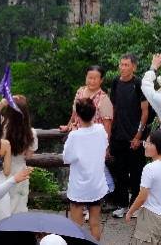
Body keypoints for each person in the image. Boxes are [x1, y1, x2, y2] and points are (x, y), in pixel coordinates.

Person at [62, 98, 108, 241]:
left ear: (77, 115)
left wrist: (74, 131)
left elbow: (67, 158)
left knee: (76, 226)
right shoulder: (101, 130)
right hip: (97, 184)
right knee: (95, 223)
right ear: (94, 114)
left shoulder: (74, 136)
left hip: (79, 187)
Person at [110, 54, 149, 219]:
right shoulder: (115, 83)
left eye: (126, 65)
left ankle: (136, 205)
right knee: (119, 172)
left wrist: (139, 135)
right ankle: (121, 204)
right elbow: (113, 107)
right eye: (121, 64)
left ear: (134, 67)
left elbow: (145, 111)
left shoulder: (139, 84)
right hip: (118, 134)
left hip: (135, 135)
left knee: (136, 172)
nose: (123, 67)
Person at [125, 130, 161, 244]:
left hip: (151, 216)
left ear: (157, 146)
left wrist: (130, 211)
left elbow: (142, 197)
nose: (145, 146)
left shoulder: (149, 168)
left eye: (149, 143)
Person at [0, 94, 37, 214]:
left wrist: (3, 103)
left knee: (2, 203)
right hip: (20, 171)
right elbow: (29, 155)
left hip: (3, 169)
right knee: (18, 204)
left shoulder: (2, 128)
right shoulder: (31, 132)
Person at [60, 65, 114, 136]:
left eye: (95, 79)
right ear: (86, 77)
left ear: (101, 80)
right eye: (90, 78)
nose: (92, 81)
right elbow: (74, 113)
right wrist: (68, 126)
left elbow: (107, 126)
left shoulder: (104, 99)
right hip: (78, 136)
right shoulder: (80, 91)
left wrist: (105, 145)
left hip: (94, 140)